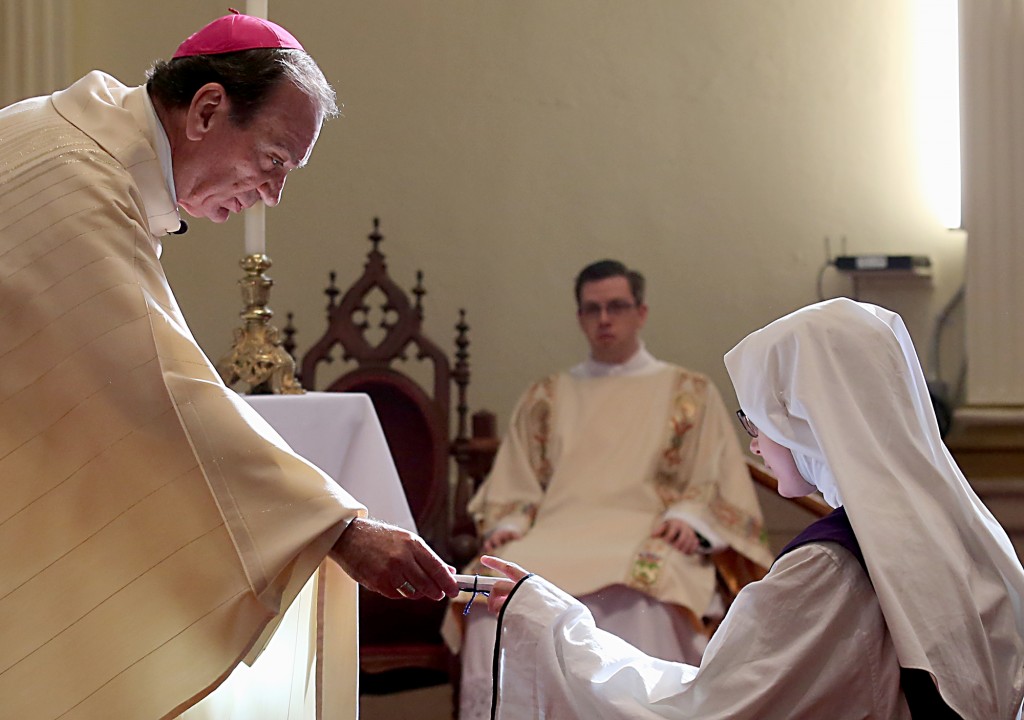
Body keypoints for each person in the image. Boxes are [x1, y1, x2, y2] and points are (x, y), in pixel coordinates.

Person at [0, 11, 457, 720]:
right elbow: (155, 395)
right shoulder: (79, 181)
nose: (272, 194)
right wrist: (338, 530)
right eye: (273, 160)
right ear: (208, 109)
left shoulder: (62, 140)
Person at [480, 298, 1024, 719]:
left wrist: (553, 623)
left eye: (756, 416)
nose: (755, 443)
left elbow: (706, 711)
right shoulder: (968, 532)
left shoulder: (828, 568)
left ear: (805, 419)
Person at [447, 259, 774, 719]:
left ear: (641, 312)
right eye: (592, 309)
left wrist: (690, 518)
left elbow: (711, 478)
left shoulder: (689, 391)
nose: (604, 319)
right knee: (487, 595)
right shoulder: (546, 396)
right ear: (579, 316)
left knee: (652, 593)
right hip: (557, 532)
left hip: (644, 534)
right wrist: (510, 520)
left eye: (617, 306)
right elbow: (518, 481)